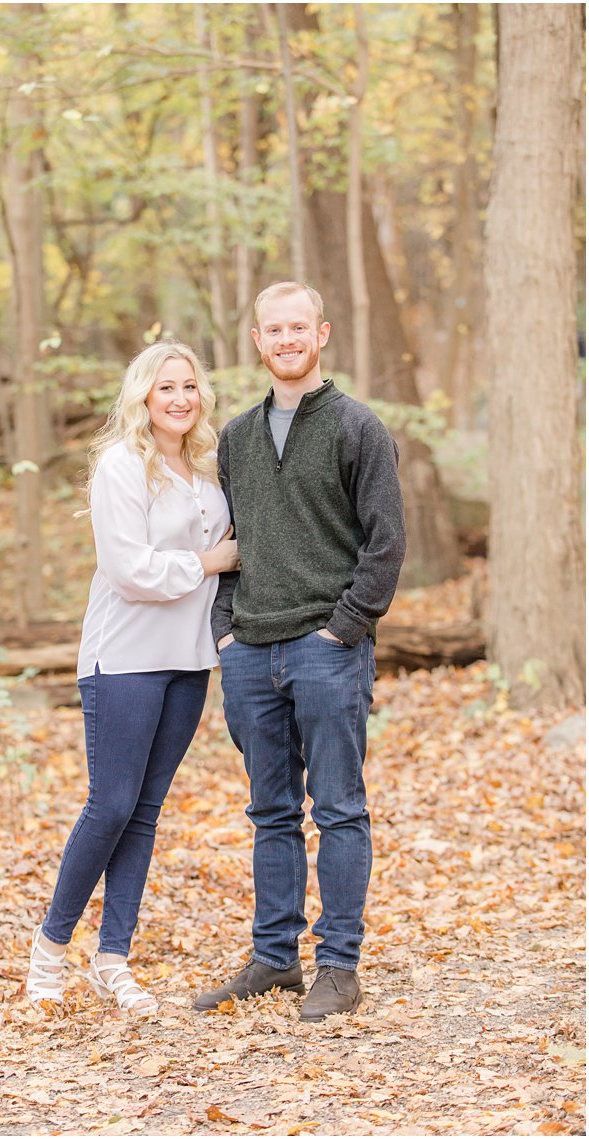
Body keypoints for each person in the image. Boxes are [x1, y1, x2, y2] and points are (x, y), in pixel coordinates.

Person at [194, 281, 405, 1022]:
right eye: (272, 329)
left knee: (340, 808)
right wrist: (225, 628)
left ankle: (339, 966)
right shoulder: (236, 439)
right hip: (251, 651)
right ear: (257, 341)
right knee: (271, 811)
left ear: (321, 334)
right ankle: (274, 958)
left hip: (327, 647)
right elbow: (232, 542)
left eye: (297, 328)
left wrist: (345, 627)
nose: (285, 340)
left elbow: (385, 543)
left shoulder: (357, 428)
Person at [27, 340, 238, 1015]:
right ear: (143, 396)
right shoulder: (120, 467)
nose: (180, 398)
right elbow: (131, 570)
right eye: (165, 387)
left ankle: (112, 959)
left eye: (189, 387)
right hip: (123, 658)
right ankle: (48, 950)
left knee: (145, 813)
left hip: (187, 660)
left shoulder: (207, 470)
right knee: (111, 805)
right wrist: (209, 562)